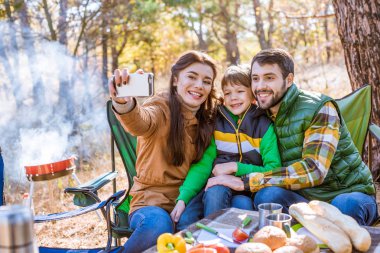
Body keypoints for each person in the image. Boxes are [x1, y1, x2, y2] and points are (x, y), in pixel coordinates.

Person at [221, 48, 377, 225]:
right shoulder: (260, 113)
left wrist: (248, 182)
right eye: (255, 79)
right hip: (303, 199)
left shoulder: (319, 108)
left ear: (288, 80)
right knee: (267, 196)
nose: (260, 86)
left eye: (269, 78)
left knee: (345, 206)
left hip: (344, 194)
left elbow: (314, 170)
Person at [108, 51, 218, 253]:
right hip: (151, 203)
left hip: (190, 201)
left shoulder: (209, 118)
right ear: (176, 79)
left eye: (206, 81)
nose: (199, 86)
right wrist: (124, 103)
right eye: (191, 77)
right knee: (159, 227)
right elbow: (140, 122)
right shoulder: (161, 107)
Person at [171, 65, 281, 229]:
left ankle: (218, 241)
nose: (233, 98)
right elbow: (203, 164)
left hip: (249, 188)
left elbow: (274, 169)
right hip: (215, 186)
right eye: (227, 93)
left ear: (252, 93)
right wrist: (183, 198)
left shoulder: (264, 125)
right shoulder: (216, 123)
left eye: (239, 91)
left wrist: (234, 167)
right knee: (186, 219)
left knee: (241, 203)